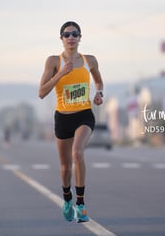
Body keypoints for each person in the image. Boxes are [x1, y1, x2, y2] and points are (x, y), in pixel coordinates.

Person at [38, 21, 104, 223]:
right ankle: (67, 198)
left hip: (84, 113)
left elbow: (98, 81)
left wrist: (99, 93)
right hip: (63, 117)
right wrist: (60, 74)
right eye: (67, 34)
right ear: (61, 39)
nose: (71, 37)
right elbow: (41, 93)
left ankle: (81, 204)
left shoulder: (89, 60)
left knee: (77, 152)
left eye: (75, 34)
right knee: (65, 166)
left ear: (80, 37)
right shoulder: (53, 61)